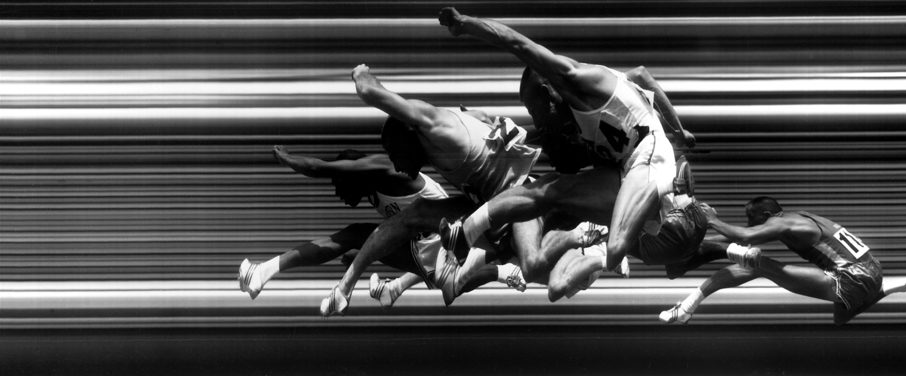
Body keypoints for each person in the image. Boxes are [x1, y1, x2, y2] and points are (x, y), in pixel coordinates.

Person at [434, 7, 704, 302]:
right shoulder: (574, 107)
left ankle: (618, 240)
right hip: (627, 169)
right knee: (549, 190)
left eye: (535, 112)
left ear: (550, 96)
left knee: (615, 249)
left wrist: (466, 25)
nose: (537, 121)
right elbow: (640, 76)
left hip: (650, 159)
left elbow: (519, 44)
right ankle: (465, 233)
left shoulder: (578, 78)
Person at [318, 64, 544, 315]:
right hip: (487, 201)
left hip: (513, 199)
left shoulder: (435, 127)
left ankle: (508, 268)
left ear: (408, 138)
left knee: (458, 279)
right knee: (417, 216)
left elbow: (370, 91)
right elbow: (485, 123)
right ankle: (347, 288)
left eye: (395, 155)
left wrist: (360, 73)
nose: (397, 166)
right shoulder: (437, 141)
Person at [237, 146, 526, 309]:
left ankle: (502, 271)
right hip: (426, 249)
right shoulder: (372, 190)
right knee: (358, 242)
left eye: (338, 185)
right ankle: (263, 272)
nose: (337, 193)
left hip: (454, 236)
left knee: (358, 234)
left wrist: (289, 160)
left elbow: (321, 168)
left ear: (352, 174)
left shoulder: (382, 169)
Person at [659, 196, 906, 325]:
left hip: (851, 276)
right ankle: (900, 287)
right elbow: (746, 236)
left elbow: (745, 235)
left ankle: (687, 307)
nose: (751, 225)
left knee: (757, 262)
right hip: (872, 271)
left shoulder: (784, 223)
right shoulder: (799, 217)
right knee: (840, 319)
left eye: (753, 220)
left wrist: (711, 219)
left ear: (766, 214)